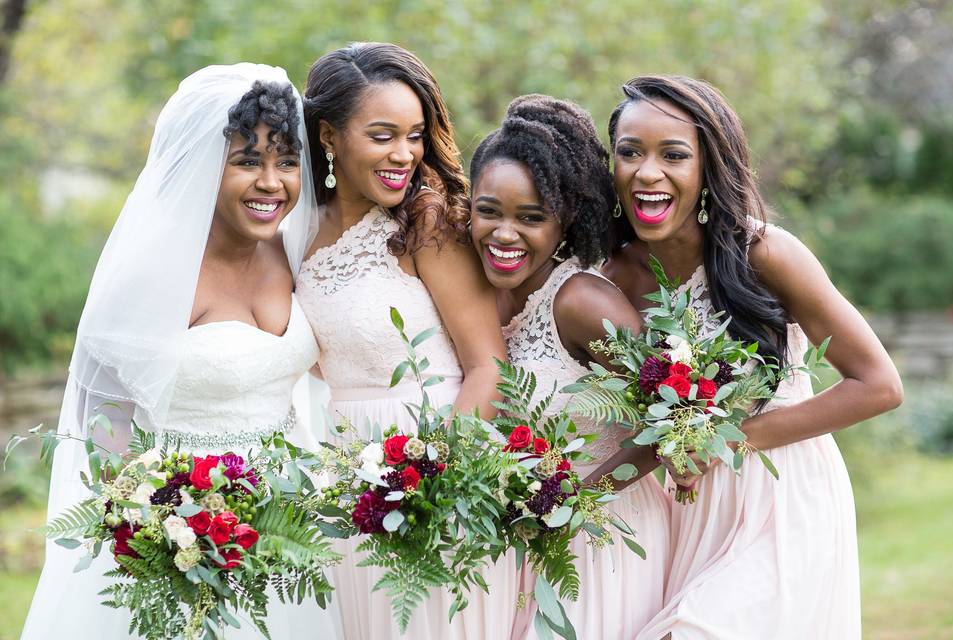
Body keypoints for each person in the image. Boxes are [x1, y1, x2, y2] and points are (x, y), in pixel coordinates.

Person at [21, 63, 340, 639]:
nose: (273, 183)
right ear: (200, 169)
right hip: (182, 539)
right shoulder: (149, 279)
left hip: (290, 530)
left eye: (286, 162)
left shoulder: (291, 251)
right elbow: (104, 440)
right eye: (247, 162)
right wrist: (163, 531)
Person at [602, 75, 903, 639]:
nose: (647, 171)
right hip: (691, 510)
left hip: (784, 491)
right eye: (629, 152)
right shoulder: (612, 277)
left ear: (709, 166)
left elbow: (879, 384)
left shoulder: (765, 252)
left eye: (673, 155)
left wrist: (728, 442)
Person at [295, 42, 507, 639]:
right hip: (346, 483)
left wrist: (434, 482)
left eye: (415, 135)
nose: (404, 154)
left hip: (436, 470)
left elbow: (490, 366)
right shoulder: (296, 230)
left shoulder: (426, 221)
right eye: (383, 134)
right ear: (330, 136)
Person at [467, 94, 672, 639]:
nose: (504, 234)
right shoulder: (479, 299)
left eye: (531, 218)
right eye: (488, 211)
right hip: (526, 550)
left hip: (601, 541)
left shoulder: (581, 301)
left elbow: (670, 423)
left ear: (565, 222)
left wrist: (580, 503)